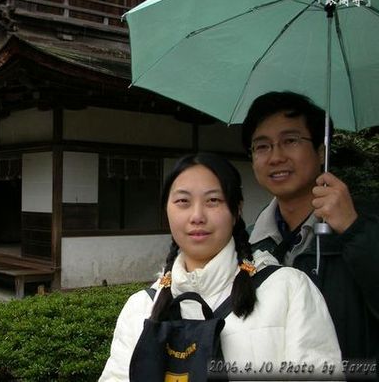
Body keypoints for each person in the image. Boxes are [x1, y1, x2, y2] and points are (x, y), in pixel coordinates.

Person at [99, 153, 341, 381]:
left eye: (213, 200)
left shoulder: (289, 290)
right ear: (167, 211)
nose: (197, 216)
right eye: (183, 201)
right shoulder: (139, 308)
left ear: (237, 210)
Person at [242, 91, 379, 366]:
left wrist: (354, 230)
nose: (275, 157)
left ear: (321, 151)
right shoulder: (247, 243)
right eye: (262, 146)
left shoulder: (367, 224)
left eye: (290, 141)